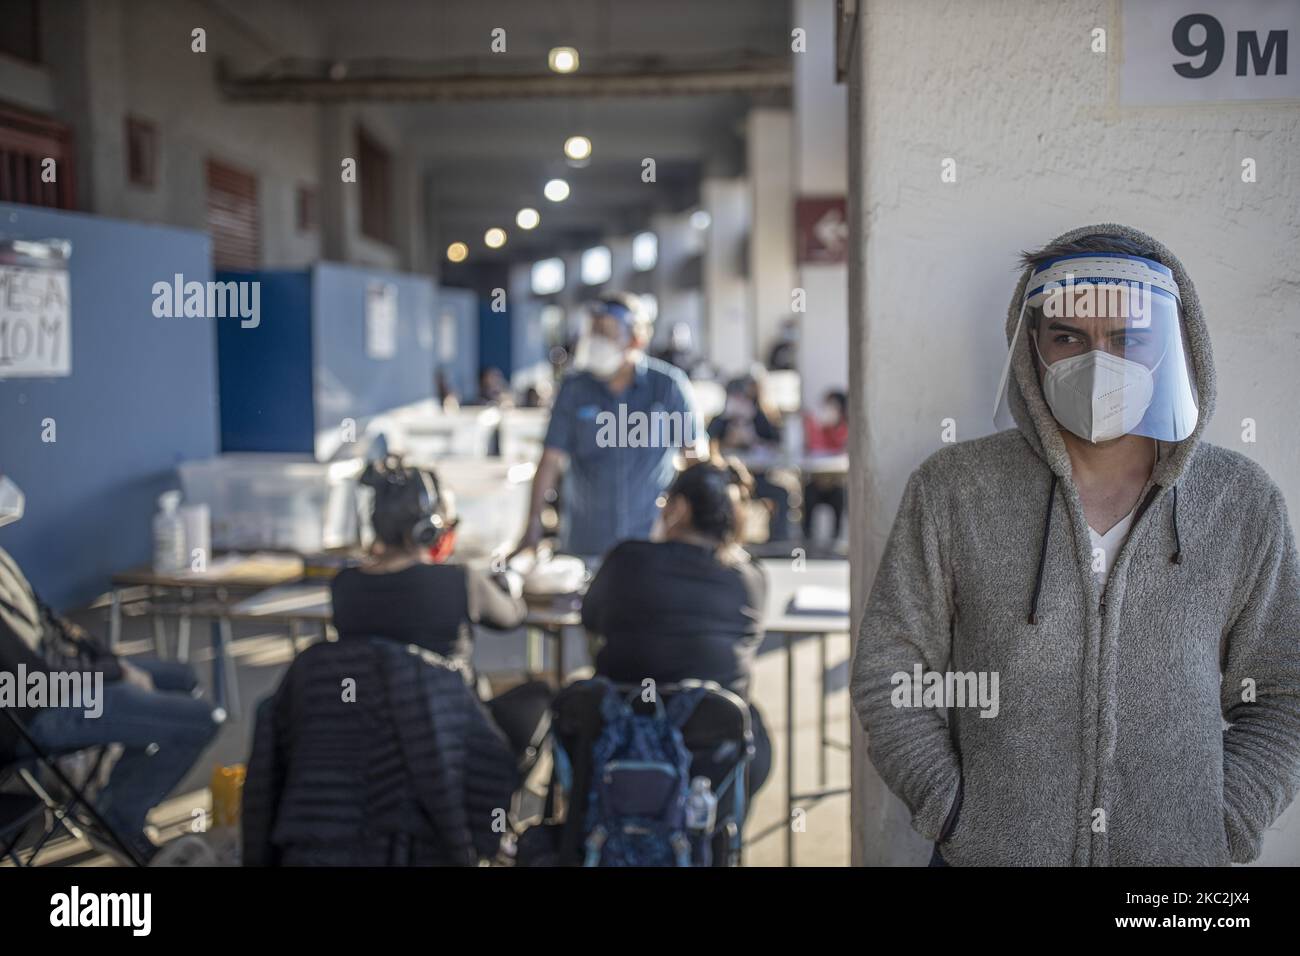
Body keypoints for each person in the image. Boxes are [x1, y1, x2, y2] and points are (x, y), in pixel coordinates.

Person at [851, 225, 1300, 867]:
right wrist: (955, 813)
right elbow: (890, 675)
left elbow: (1285, 691)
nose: (1100, 363)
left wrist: (1221, 823)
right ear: (1032, 345)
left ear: (1173, 346)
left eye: (1129, 339)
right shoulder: (955, 490)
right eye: (1070, 337)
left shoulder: (1239, 502)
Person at [0, 476, 219, 864]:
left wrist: (111, 664)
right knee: (202, 720)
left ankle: (114, 798)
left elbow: (50, 625)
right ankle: (120, 817)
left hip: (56, 683)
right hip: (35, 713)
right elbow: (32, 680)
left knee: (181, 678)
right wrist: (114, 675)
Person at [330, 455, 549, 756]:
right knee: (541, 694)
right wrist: (510, 583)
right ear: (428, 528)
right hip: (454, 738)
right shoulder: (459, 580)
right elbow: (512, 616)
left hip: (372, 745)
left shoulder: (343, 587)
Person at [580, 460, 772, 800]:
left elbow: (590, 618)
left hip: (621, 738)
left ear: (679, 508)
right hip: (712, 753)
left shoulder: (627, 560)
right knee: (755, 727)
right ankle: (723, 841)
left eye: (665, 502)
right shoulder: (750, 580)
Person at [512, 294, 703, 561]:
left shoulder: (668, 386)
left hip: (652, 542)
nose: (596, 340)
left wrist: (696, 527)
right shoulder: (574, 389)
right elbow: (550, 460)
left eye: (607, 332)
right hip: (586, 544)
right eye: (594, 330)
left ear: (636, 339)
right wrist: (532, 525)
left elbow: (694, 458)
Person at [708, 375, 793, 541]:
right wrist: (727, 425)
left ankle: (778, 541)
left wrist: (753, 438)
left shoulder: (758, 417)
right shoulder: (721, 420)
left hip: (756, 478)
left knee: (782, 494)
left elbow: (775, 442)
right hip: (728, 479)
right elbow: (709, 440)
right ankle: (725, 538)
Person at [802, 389, 849, 542]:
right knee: (808, 494)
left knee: (840, 497)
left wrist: (834, 427)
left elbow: (842, 448)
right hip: (816, 482)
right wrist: (818, 425)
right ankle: (807, 538)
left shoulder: (844, 428)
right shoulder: (816, 425)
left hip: (835, 484)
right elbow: (814, 447)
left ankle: (836, 538)